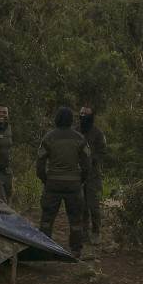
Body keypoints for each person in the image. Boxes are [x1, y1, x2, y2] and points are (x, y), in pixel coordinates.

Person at [36, 106, 91, 258]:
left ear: (57, 119)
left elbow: (40, 164)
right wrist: (80, 180)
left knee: (47, 218)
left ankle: (43, 248)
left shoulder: (48, 137)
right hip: (73, 184)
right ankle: (75, 249)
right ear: (71, 121)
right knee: (75, 219)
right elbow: (87, 165)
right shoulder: (80, 138)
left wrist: (46, 180)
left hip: (53, 183)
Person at [79, 105, 107, 244]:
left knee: (93, 206)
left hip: (93, 175)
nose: (83, 116)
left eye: (86, 114)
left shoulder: (98, 133)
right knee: (82, 205)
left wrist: (90, 157)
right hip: (79, 175)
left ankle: (96, 231)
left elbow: (102, 154)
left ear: (91, 116)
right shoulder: (76, 131)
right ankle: (84, 232)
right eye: (81, 113)